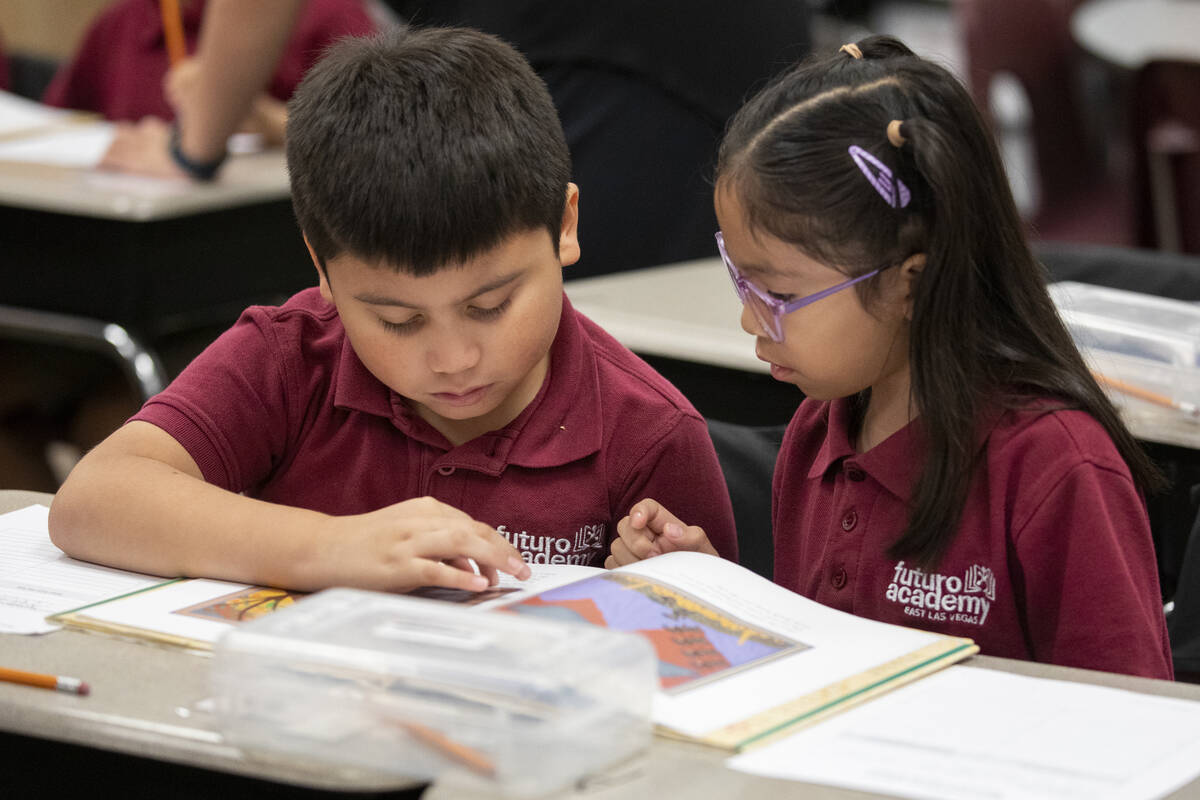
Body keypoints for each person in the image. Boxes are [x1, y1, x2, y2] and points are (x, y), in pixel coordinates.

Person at [49, 27, 738, 593]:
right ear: (321, 270)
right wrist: (327, 546)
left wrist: (677, 587)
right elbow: (94, 499)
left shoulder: (649, 434)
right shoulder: (291, 357)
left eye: (491, 305)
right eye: (398, 321)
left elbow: (718, 651)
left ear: (564, 225)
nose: (453, 357)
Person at [608, 36, 1173, 679]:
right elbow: (826, 670)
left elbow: (1133, 716)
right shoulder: (818, 431)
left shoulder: (1055, 464)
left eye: (779, 294)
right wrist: (708, 591)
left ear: (911, 282)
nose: (749, 318)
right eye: (743, 281)